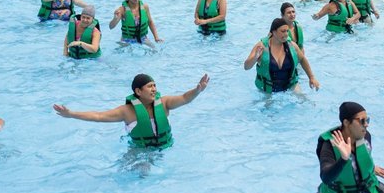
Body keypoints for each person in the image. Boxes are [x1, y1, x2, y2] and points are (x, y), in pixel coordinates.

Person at [53, 73, 210, 149]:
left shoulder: (164, 103)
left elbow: (184, 98)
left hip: (167, 147)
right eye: (149, 86)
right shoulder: (127, 111)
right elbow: (98, 116)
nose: (154, 89)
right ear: (138, 91)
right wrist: (71, 114)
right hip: (139, 151)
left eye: (155, 85)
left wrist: (197, 90)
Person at [316, 102, 384, 193]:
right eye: (362, 121)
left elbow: (361, 159)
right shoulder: (329, 145)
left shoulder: (365, 136)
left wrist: (371, 168)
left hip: (368, 188)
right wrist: (343, 159)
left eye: (367, 120)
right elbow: (326, 178)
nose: (366, 124)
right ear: (346, 122)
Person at [244, 17, 320, 93]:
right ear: (274, 32)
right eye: (283, 31)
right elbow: (246, 67)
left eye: (287, 31)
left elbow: (302, 59)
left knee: (303, 99)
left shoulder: (291, 45)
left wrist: (311, 77)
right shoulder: (261, 47)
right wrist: (255, 57)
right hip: (267, 89)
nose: (286, 34)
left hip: (290, 85)